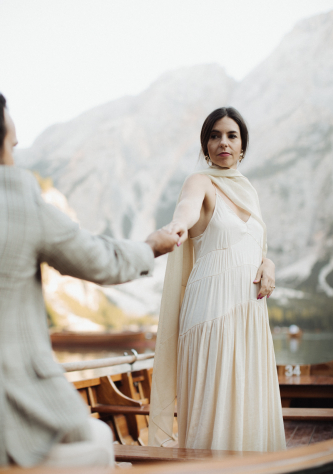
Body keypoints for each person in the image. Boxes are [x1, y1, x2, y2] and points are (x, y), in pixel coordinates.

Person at [0, 93, 179, 468]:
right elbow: (102, 261)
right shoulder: (17, 201)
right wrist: (150, 247)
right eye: (12, 146)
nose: (14, 157)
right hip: (10, 409)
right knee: (99, 440)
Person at [148, 107, 286, 452]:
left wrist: (268, 263)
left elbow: (253, 246)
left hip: (249, 314)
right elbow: (188, 209)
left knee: (249, 398)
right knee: (215, 401)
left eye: (231, 135)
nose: (222, 142)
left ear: (242, 147)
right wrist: (176, 227)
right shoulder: (200, 181)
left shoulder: (248, 192)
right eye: (214, 135)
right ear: (205, 145)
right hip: (211, 309)